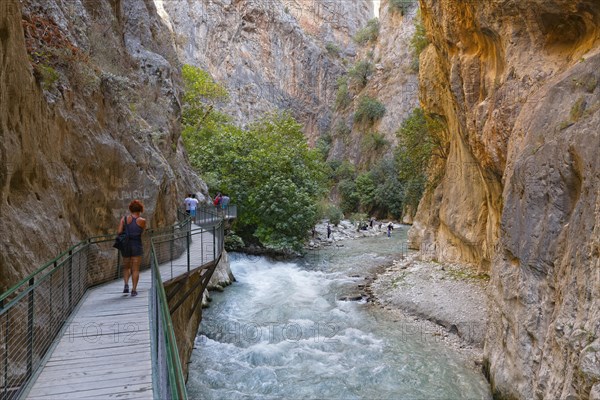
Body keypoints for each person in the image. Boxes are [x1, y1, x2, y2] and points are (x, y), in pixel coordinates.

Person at [118, 200, 146, 297]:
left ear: (130, 209)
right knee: (135, 269)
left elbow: (119, 232)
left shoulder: (124, 219)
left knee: (126, 267)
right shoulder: (142, 221)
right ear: (140, 209)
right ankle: (134, 290)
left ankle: (126, 285)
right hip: (136, 245)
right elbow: (142, 233)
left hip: (126, 245)